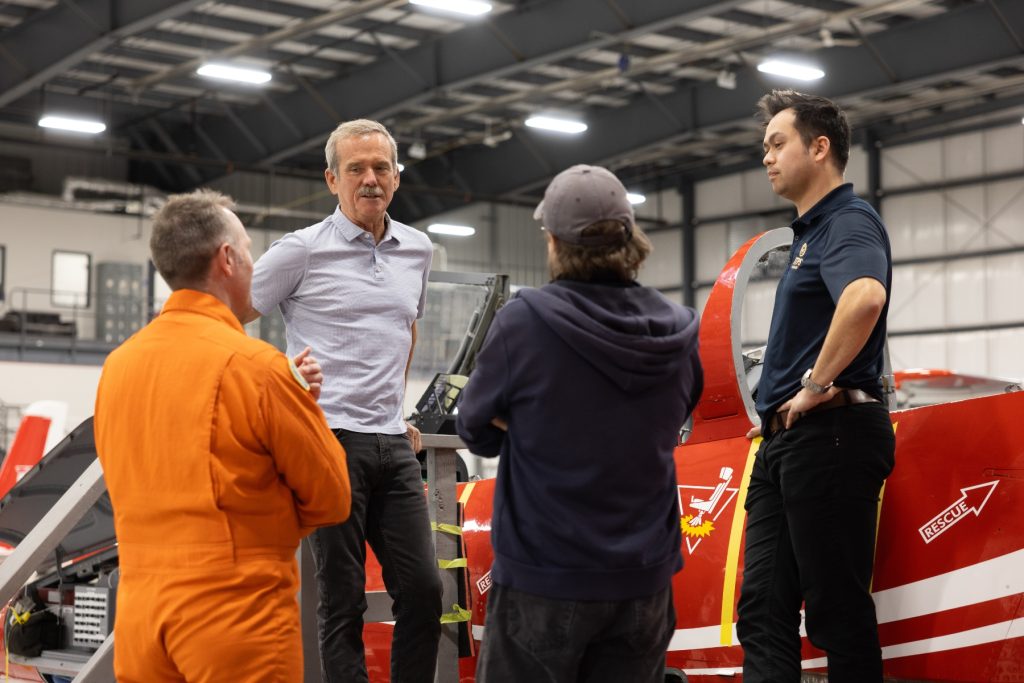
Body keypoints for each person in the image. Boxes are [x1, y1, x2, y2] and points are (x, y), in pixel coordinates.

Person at [456, 164, 704, 683]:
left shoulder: (525, 323)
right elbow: (678, 413)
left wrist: (532, 425)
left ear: (554, 242)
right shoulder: (679, 330)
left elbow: (473, 426)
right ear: (630, 239)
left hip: (545, 578)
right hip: (644, 582)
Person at [94, 189, 351, 682]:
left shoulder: (118, 366)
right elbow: (333, 497)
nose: (254, 262)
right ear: (227, 259)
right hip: (234, 612)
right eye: (250, 250)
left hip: (140, 615)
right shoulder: (256, 368)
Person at [246, 119, 441, 683]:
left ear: (397, 178)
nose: (370, 179)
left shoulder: (417, 250)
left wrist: (398, 410)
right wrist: (280, 377)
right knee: (343, 599)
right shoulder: (300, 252)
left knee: (425, 591)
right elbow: (224, 318)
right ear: (332, 180)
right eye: (356, 169)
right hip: (325, 441)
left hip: (390, 441)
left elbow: (406, 331)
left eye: (381, 167)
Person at [736, 90, 896, 683]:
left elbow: (865, 297)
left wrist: (813, 384)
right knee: (762, 610)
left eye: (778, 144)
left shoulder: (848, 221)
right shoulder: (807, 235)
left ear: (820, 147)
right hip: (786, 443)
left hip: (829, 433)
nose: (767, 158)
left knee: (836, 611)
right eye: (765, 148)